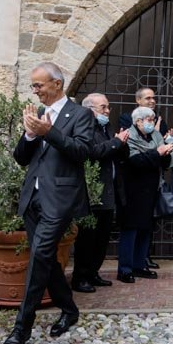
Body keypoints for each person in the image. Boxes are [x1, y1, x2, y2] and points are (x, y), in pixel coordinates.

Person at [0, 63, 94, 344]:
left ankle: (21, 329)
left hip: (61, 198)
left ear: (57, 84)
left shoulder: (80, 114)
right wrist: (29, 135)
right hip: (33, 197)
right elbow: (21, 158)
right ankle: (69, 309)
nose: (35, 91)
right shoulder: (38, 114)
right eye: (33, 86)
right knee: (46, 258)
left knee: (39, 253)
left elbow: (82, 151)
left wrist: (49, 132)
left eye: (39, 85)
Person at [71, 94, 129, 293]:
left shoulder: (107, 128)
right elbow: (93, 152)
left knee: (102, 238)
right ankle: (80, 277)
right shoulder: (85, 128)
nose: (107, 111)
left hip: (108, 192)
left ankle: (93, 272)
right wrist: (116, 142)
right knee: (87, 239)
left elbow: (119, 155)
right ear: (90, 110)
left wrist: (122, 143)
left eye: (108, 107)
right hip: (92, 192)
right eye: (103, 107)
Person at [116, 106, 173, 283]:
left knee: (145, 229)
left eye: (152, 119)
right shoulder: (129, 135)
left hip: (151, 189)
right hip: (132, 190)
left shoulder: (156, 136)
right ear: (138, 121)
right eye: (149, 119)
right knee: (130, 229)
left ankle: (139, 265)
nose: (152, 122)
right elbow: (135, 161)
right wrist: (157, 153)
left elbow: (163, 163)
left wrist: (167, 153)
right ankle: (125, 269)